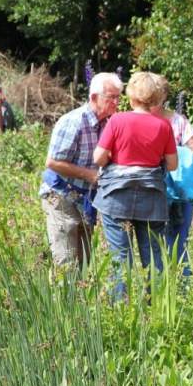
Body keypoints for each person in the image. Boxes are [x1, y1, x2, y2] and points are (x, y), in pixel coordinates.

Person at [93, 72, 177, 299]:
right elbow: (172, 164)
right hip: (151, 200)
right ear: (154, 97)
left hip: (116, 197)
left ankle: (121, 313)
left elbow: (98, 158)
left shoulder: (117, 120)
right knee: (153, 258)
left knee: (120, 258)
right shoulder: (163, 126)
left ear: (131, 96)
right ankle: (157, 309)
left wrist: (113, 156)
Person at [40, 72, 123, 268]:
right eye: (112, 97)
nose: (117, 102)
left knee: (85, 262)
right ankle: (63, 299)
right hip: (61, 195)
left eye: (119, 97)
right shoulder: (74, 121)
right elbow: (52, 162)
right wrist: (89, 175)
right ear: (94, 97)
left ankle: (82, 298)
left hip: (86, 198)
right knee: (66, 262)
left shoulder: (109, 123)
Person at [150, 77, 193, 280]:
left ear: (164, 96)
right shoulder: (173, 121)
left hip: (175, 194)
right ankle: (165, 292)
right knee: (158, 244)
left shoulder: (178, 122)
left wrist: (175, 157)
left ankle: (180, 293)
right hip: (153, 192)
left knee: (176, 243)